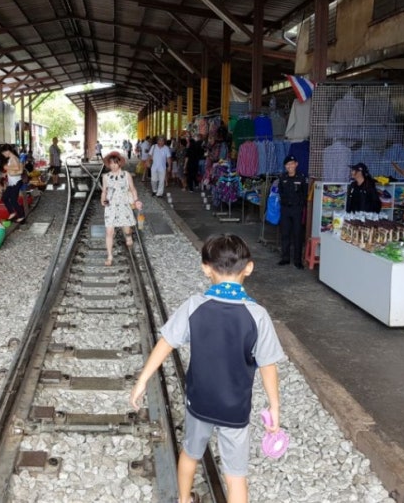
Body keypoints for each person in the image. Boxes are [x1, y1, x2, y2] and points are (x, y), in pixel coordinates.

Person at [129, 234, 284, 503]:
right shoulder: (257, 315)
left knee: (190, 453)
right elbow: (267, 365)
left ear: (205, 268)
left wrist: (143, 379)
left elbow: (166, 343)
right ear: (249, 268)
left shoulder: (194, 307)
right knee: (236, 476)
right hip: (235, 409)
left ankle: (183, 499)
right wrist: (274, 408)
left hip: (199, 402)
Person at [100, 151, 142, 267]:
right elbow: (104, 191)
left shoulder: (126, 175)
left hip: (124, 205)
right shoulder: (106, 177)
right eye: (111, 163)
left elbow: (132, 189)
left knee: (127, 229)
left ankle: (128, 236)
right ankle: (109, 256)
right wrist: (103, 200)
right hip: (111, 207)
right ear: (108, 164)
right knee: (109, 232)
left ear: (119, 163)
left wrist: (136, 200)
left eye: (115, 163)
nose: (113, 165)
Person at [278, 155, 307, 269]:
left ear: (296, 164)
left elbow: (304, 193)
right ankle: (285, 258)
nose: (290, 166)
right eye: (287, 164)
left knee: (297, 235)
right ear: (285, 166)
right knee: (285, 234)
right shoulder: (282, 178)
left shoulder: (301, 178)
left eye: (292, 163)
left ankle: (297, 260)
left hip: (296, 209)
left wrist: (299, 204)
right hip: (285, 209)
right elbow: (280, 192)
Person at [0, 144, 26, 223]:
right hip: (12, 183)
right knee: (4, 198)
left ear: (7, 151)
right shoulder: (11, 158)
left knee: (13, 200)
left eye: (3, 153)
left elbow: (17, 168)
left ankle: (21, 216)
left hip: (16, 182)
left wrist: (7, 167)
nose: (3, 155)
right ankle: (12, 212)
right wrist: (7, 172)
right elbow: (16, 169)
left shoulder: (13, 158)